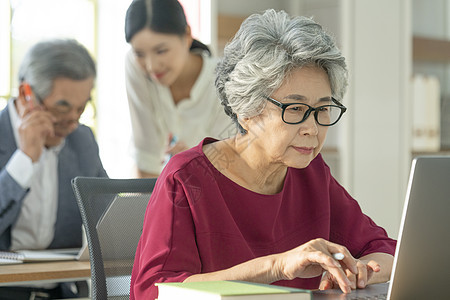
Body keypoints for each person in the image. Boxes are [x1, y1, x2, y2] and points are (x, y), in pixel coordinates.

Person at [130, 9, 396, 300]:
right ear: (247, 111)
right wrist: (276, 265)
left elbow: (387, 250)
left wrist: (358, 270)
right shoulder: (185, 179)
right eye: (295, 109)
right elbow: (152, 292)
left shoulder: (310, 171)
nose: (313, 128)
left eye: (322, 110)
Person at [0, 39, 107, 299]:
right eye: (62, 107)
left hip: (63, 290)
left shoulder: (82, 140)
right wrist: (24, 160)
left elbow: (107, 216)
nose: (73, 120)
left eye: (81, 108)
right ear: (27, 93)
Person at [124, 0, 234, 178]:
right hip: (157, 189)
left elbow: (225, 167)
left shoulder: (225, 81)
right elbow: (147, 154)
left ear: (187, 35)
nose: (151, 66)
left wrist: (191, 163)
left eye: (161, 51)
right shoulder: (135, 66)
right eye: (140, 54)